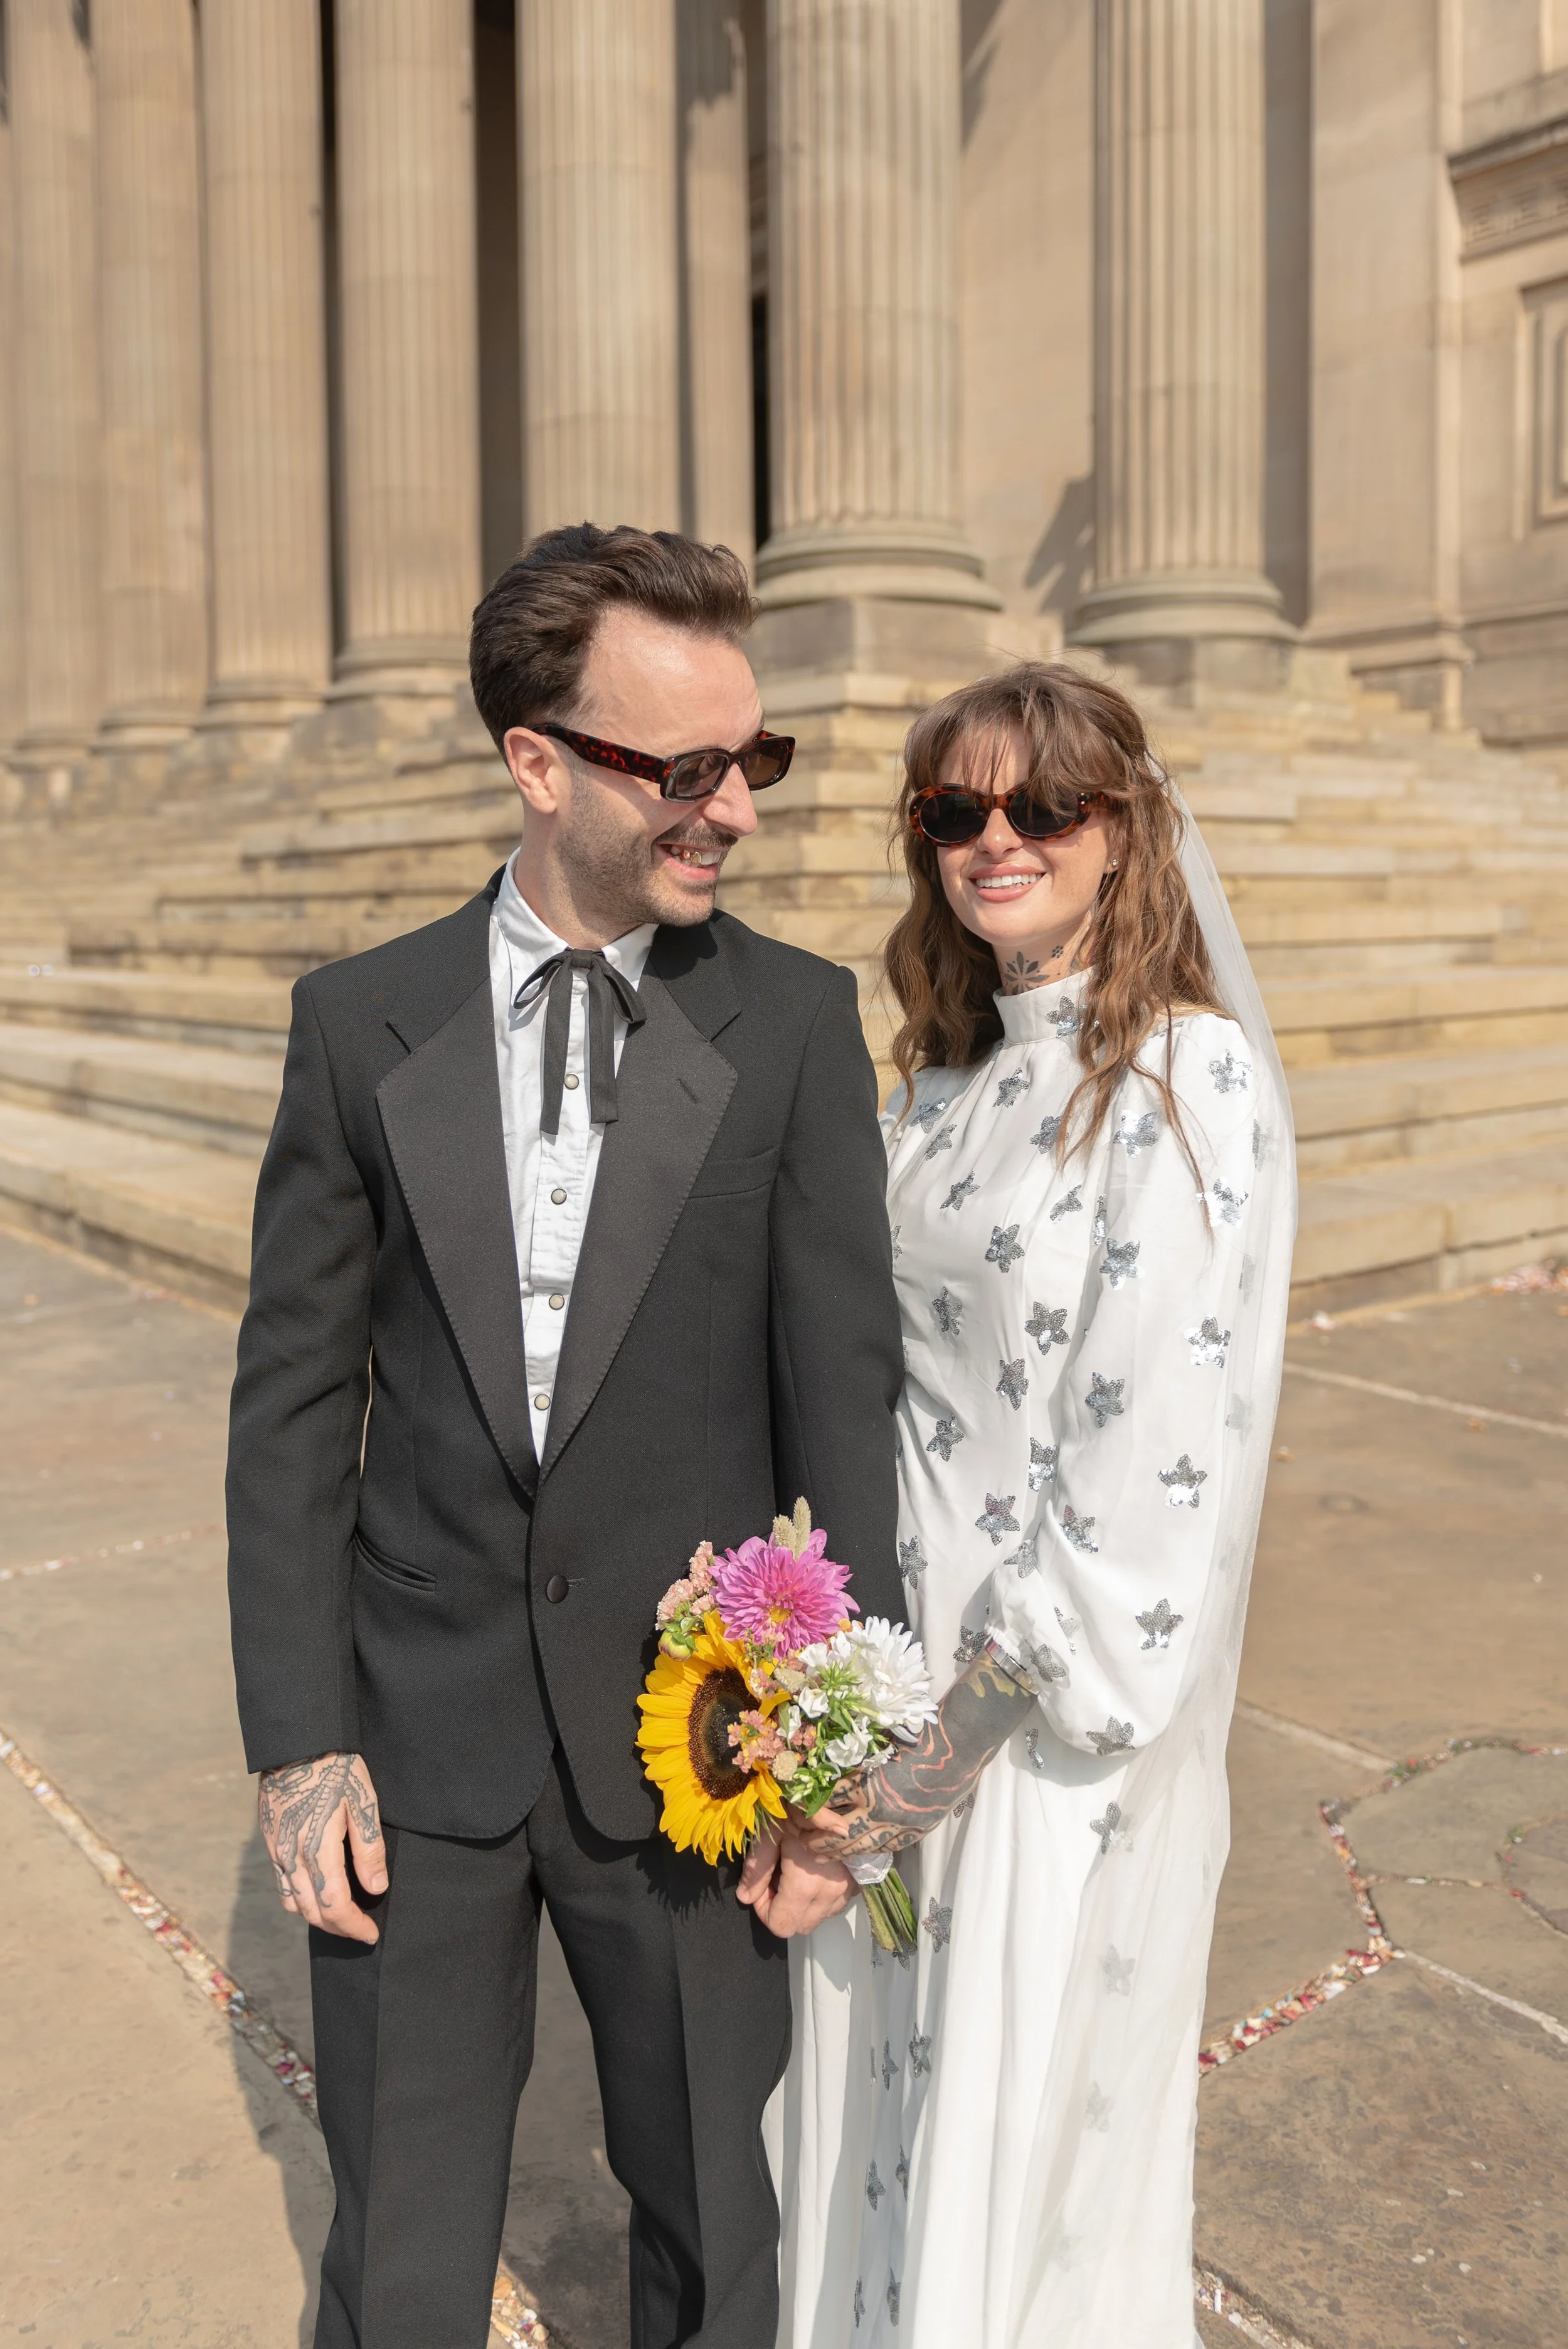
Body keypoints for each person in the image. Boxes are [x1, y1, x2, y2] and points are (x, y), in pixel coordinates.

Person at [225, 523, 903, 2349]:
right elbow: (294, 1398)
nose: (734, 810)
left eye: (749, 762)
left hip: (687, 1746)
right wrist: (300, 1746)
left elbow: (845, 1406)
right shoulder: (358, 1021)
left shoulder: (794, 1027)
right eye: (682, 770)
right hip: (415, 1754)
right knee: (405, 2257)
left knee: (710, 2231)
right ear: (541, 761)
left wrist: (841, 1765)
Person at [761, 664, 1296, 2347]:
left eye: (1041, 806)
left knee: (1020, 2180)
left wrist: (909, 1788)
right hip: (896, 1703)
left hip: (1036, 1751)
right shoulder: (934, 1083)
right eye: (952, 811)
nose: (995, 840)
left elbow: (1142, 1504)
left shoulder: (1179, 1085)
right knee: (873, 2158)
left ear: (1123, 832)